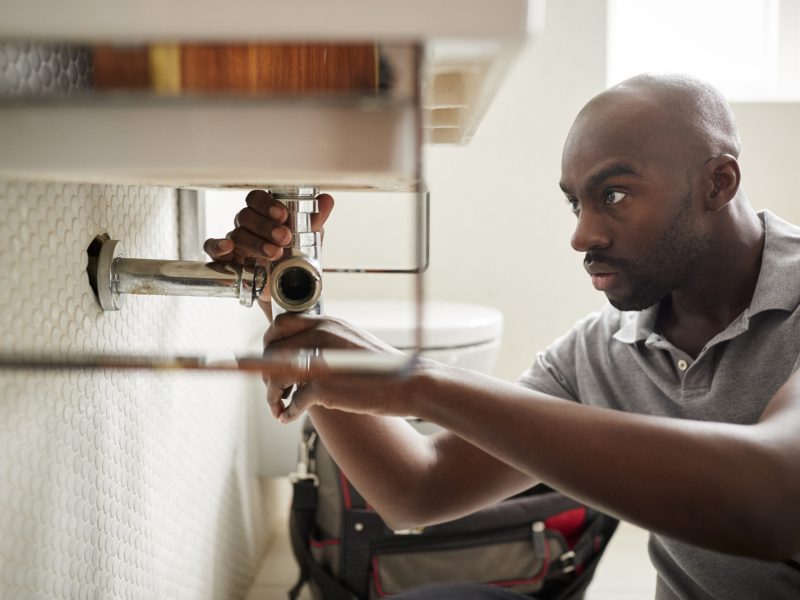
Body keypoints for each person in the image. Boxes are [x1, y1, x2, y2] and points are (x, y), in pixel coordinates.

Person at [205, 74, 800, 599]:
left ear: (718, 183)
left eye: (613, 195)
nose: (582, 234)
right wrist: (290, 296)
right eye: (575, 204)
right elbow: (418, 489)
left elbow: (774, 501)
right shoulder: (606, 349)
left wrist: (416, 384)